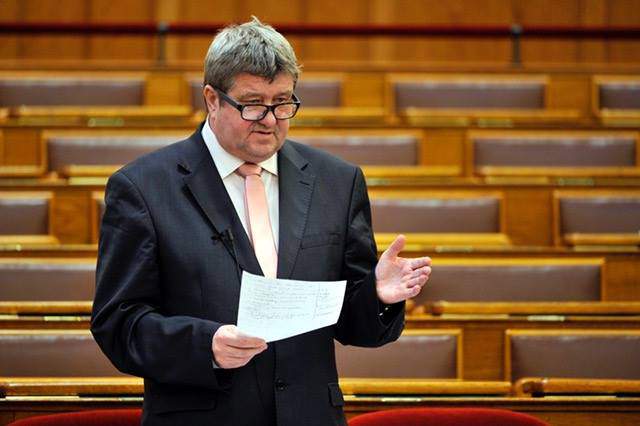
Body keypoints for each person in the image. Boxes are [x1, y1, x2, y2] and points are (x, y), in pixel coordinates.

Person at [91, 17, 431, 426]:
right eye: (252, 104)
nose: (270, 119)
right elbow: (118, 323)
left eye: (283, 102)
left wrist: (377, 296)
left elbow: (354, 327)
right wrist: (205, 346)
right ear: (212, 99)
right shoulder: (143, 188)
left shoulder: (337, 182)